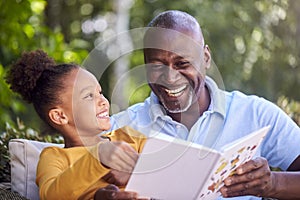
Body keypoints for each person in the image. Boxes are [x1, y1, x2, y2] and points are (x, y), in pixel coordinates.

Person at [109, 10, 300, 199]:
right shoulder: (121, 129)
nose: (170, 78)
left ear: (206, 58)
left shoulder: (257, 114)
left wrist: (274, 184)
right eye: (157, 66)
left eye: (182, 64)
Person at [5, 50, 146, 200]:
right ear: (60, 116)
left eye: (100, 92)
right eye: (89, 96)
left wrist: (137, 171)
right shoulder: (55, 157)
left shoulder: (129, 137)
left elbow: (167, 167)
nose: (103, 101)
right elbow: (51, 196)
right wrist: (98, 157)